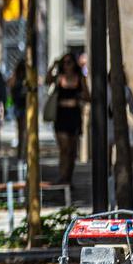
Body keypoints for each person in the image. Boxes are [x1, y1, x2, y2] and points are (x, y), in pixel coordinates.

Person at [49, 52, 89, 186]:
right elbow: (46, 80)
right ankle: (62, 176)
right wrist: (53, 65)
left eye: (69, 62)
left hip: (74, 116)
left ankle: (68, 178)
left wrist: (78, 98)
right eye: (64, 63)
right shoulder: (59, 78)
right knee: (64, 148)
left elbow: (87, 96)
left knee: (72, 150)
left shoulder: (80, 78)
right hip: (61, 116)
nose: (67, 65)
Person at [8, 58, 28, 155]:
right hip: (20, 107)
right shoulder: (17, 79)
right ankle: (22, 153)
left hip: (22, 107)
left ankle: (23, 152)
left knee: (23, 132)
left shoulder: (23, 79)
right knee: (22, 132)